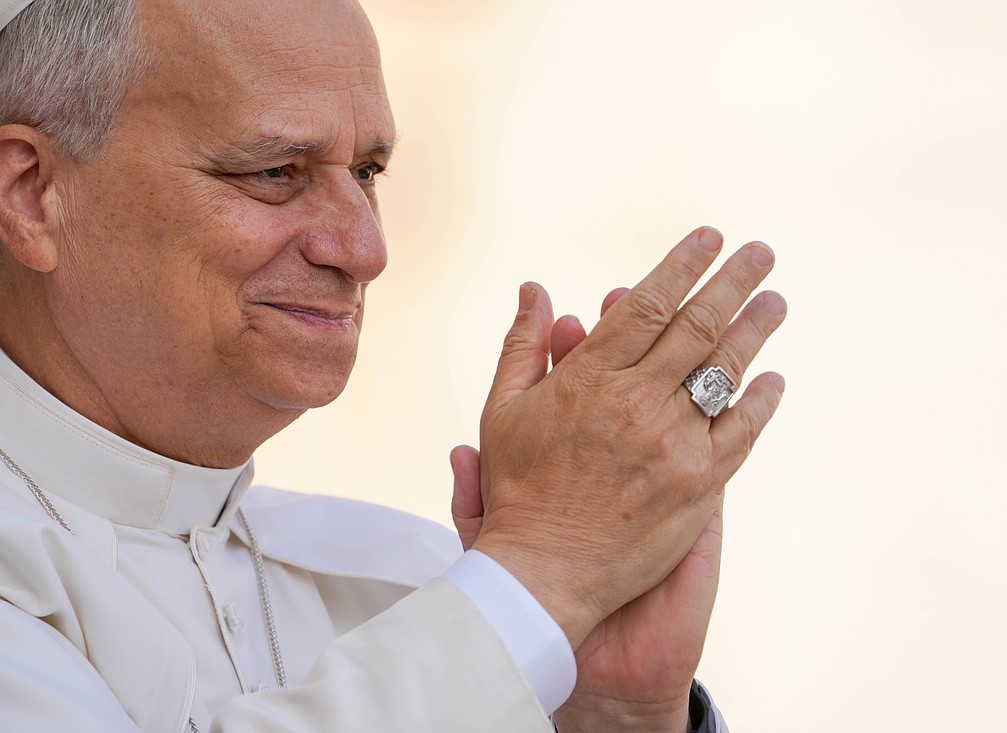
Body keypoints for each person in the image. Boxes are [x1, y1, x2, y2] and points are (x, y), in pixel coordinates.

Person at [0, 0, 787, 730]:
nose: (365, 250)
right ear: (32, 192)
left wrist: (616, 712)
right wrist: (546, 571)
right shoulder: (499, 596)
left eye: (368, 172)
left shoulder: (416, 576)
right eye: (276, 172)